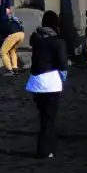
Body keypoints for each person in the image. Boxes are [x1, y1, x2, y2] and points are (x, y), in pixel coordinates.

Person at [26, 10, 69, 159]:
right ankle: (46, 151)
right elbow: (63, 63)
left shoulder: (35, 39)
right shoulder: (58, 42)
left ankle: (42, 148)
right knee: (49, 119)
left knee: (43, 116)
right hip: (50, 83)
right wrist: (63, 77)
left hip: (35, 83)